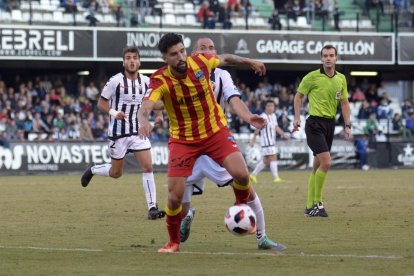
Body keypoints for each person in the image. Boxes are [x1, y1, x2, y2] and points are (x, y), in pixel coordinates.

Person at [138, 33, 286, 253]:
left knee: (243, 175)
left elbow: (229, 63)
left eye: (182, 51)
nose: (180, 57)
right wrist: (143, 120)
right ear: (165, 58)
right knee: (175, 198)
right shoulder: (160, 79)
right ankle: (173, 242)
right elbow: (147, 105)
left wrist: (250, 63)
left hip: (214, 134)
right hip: (184, 142)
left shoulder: (206, 65)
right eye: (173, 54)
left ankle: (246, 214)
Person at [80, 46, 166, 220]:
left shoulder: (147, 82)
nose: (132, 61)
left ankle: (152, 208)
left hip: (138, 131)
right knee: (116, 173)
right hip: (118, 133)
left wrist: (159, 115)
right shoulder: (115, 81)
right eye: (128, 58)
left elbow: (155, 100)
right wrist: (113, 113)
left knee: (148, 167)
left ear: (139, 61)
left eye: (135, 57)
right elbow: (101, 103)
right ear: (123, 62)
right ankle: (94, 169)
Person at [293, 44, 352, 218]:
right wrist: (297, 117)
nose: (328, 58)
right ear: (321, 58)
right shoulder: (311, 77)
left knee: (317, 166)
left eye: (331, 55)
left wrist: (348, 125)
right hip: (314, 124)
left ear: (336, 58)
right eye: (325, 55)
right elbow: (298, 96)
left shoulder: (341, 79)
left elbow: (344, 103)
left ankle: (309, 207)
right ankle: (318, 204)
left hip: (330, 125)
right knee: (326, 162)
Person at [249, 100, 290, 184]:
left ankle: (253, 175)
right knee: (273, 157)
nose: (271, 107)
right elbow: (257, 129)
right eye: (269, 106)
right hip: (266, 142)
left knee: (266, 161)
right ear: (265, 107)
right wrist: (253, 140)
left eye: (272, 106)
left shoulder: (274, 116)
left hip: (271, 141)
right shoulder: (263, 117)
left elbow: (276, 127)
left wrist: (284, 134)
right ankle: (276, 178)